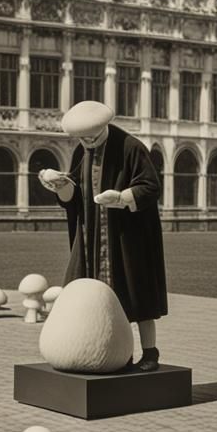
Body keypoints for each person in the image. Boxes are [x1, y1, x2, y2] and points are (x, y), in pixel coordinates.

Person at [38, 100, 168, 371]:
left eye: (91, 136)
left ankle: (150, 352)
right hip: (91, 234)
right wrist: (59, 186)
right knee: (88, 293)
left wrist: (121, 198)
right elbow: (74, 197)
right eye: (82, 138)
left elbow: (150, 186)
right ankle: (110, 351)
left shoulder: (131, 147)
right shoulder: (82, 151)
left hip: (126, 236)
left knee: (135, 292)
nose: (87, 142)